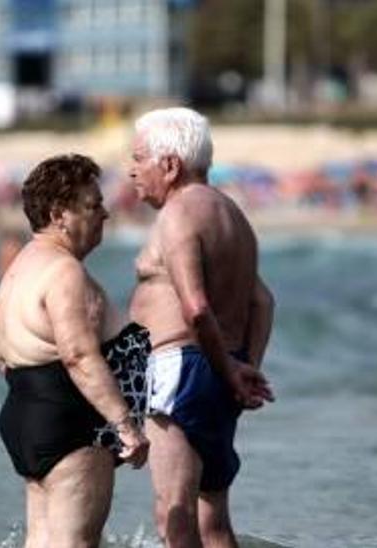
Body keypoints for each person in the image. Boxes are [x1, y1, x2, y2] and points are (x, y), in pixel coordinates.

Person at [0, 154, 149, 548]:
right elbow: (78, 355)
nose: (105, 214)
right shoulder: (64, 272)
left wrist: (34, 388)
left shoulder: (23, 265)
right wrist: (125, 426)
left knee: (42, 541)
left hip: (29, 415)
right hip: (72, 424)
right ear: (59, 214)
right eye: (92, 204)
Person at [128, 107, 276, 548]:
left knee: (172, 511)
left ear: (170, 165)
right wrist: (243, 365)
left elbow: (195, 308)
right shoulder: (234, 216)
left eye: (139, 158)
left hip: (181, 368)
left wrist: (233, 373)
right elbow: (262, 301)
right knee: (212, 519)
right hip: (216, 368)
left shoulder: (178, 214)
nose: (132, 170)